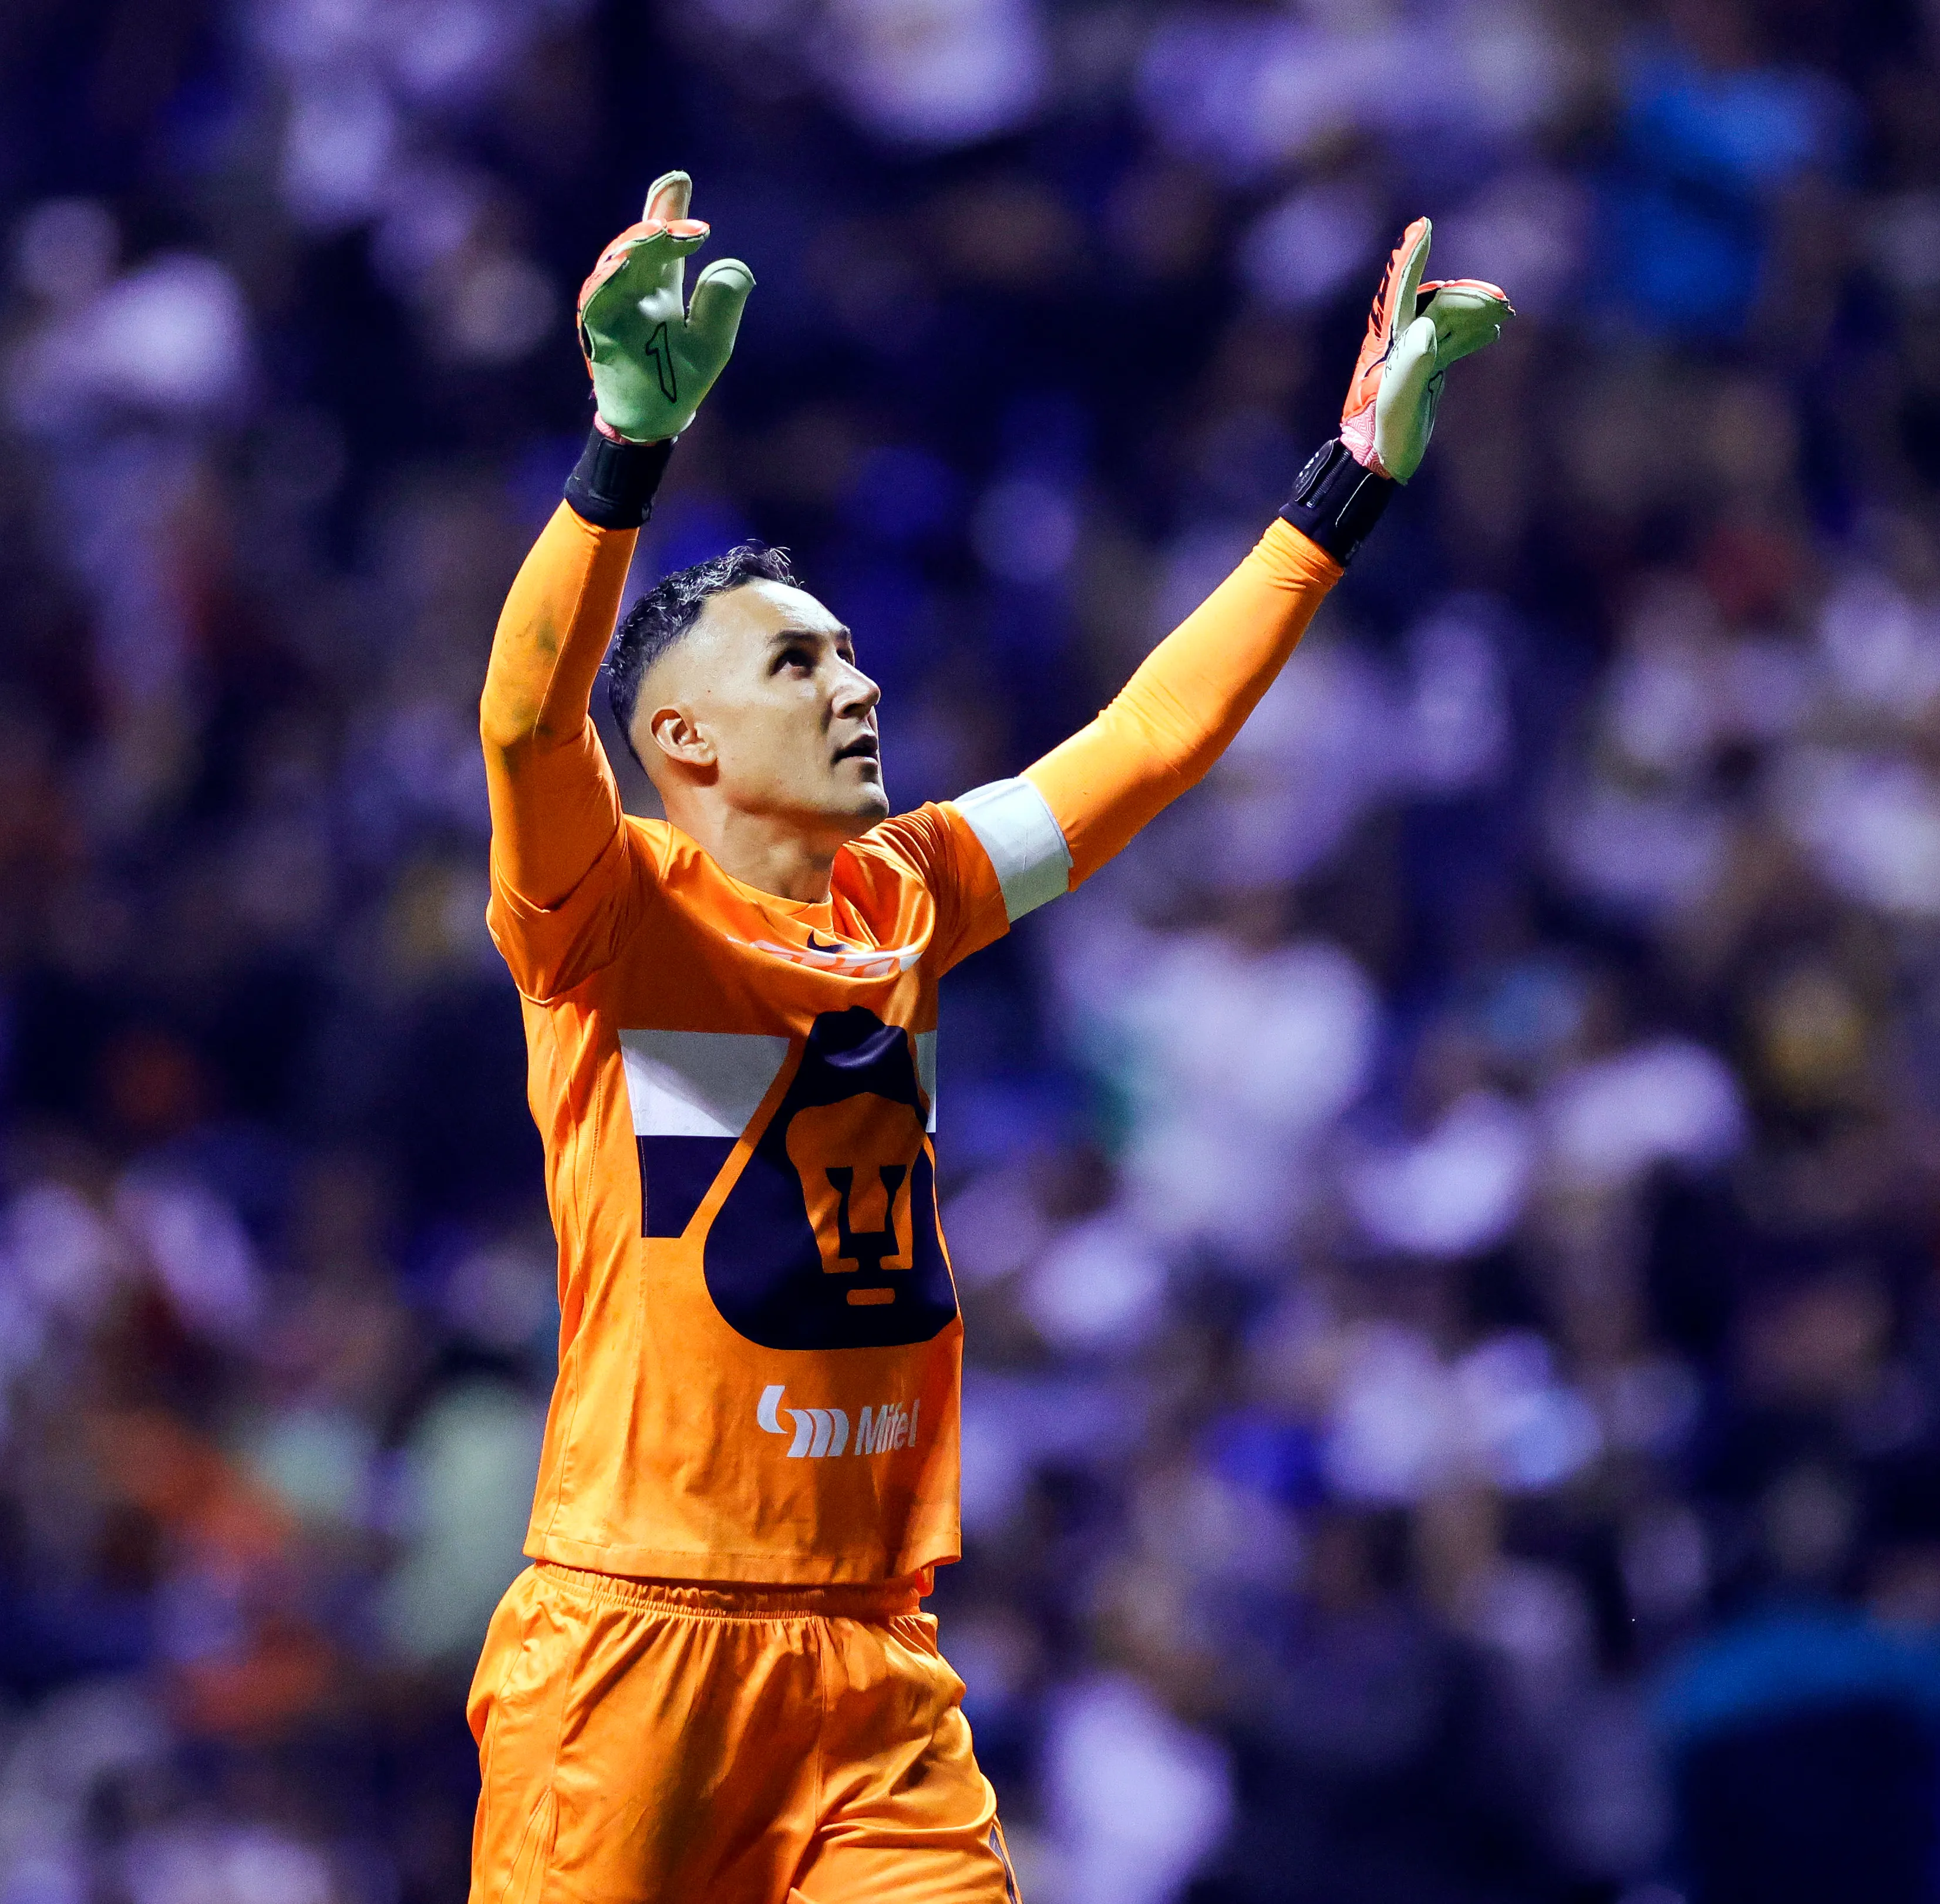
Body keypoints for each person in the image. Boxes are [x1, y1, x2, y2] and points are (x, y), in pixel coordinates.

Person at [466, 170, 1509, 1903]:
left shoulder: (910, 894)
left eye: (854, 659)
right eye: (799, 669)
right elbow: (519, 717)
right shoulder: (609, 918)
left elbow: (1150, 741)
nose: (860, 690)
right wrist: (619, 458)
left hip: (871, 1664)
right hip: (635, 1645)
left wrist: (1345, 492)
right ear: (682, 738)